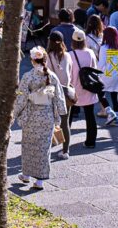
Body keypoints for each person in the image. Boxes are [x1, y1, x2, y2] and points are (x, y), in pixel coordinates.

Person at [13, 46, 68, 191]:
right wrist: (60, 115)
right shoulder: (52, 76)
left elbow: (21, 98)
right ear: (45, 60)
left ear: (32, 60)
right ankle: (39, 181)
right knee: (44, 149)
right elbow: (59, 98)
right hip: (47, 115)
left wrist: (14, 113)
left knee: (28, 145)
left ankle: (26, 174)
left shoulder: (28, 76)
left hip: (32, 115)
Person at [47, 30, 75, 159]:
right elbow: (70, 72)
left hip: (52, 92)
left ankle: (52, 144)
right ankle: (65, 151)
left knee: (51, 121)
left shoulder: (48, 56)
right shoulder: (68, 55)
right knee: (65, 121)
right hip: (66, 91)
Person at [70, 30, 99, 148]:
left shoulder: (70, 55)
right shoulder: (90, 53)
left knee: (69, 116)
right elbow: (94, 69)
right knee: (90, 115)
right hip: (88, 87)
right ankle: (91, 141)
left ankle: (64, 141)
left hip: (74, 88)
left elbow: (69, 73)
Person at [85, 15, 115, 122]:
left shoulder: (87, 37)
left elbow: (86, 51)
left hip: (93, 65)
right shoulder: (103, 36)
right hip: (104, 64)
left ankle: (105, 110)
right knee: (101, 87)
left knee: (96, 88)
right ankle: (103, 109)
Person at [98, 26, 118, 125]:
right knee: (115, 97)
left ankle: (110, 112)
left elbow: (101, 64)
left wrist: (96, 74)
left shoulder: (104, 48)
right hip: (117, 76)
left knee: (100, 94)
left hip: (106, 76)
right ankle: (117, 119)